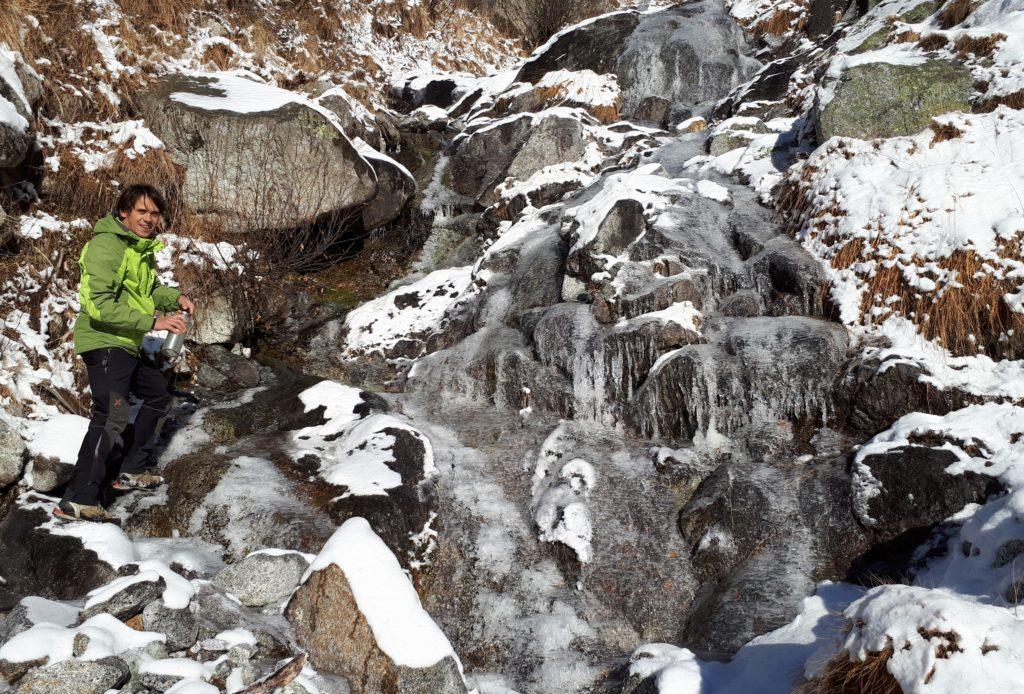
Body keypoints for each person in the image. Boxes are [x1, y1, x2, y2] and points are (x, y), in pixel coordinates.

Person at [55, 184, 196, 524]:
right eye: (141, 211)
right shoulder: (106, 246)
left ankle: (132, 470)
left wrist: (173, 298)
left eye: (154, 213)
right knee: (112, 414)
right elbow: (98, 304)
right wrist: (154, 320)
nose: (148, 219)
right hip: (103, 341)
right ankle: (78, 500)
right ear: (124, 212)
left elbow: (145, 291)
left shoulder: (139, 248)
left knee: (159, 396)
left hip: (126, 341)